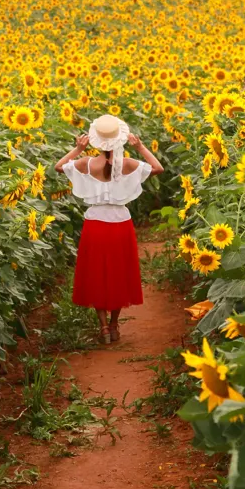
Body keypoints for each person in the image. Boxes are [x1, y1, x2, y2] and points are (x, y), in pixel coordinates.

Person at [55, 115, 164, 344]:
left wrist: (77, 149)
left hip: (94, 222)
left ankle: (103, 327)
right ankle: (115, 325)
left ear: (96, 141)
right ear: (120, 139)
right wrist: (140, 146)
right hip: (120, 223)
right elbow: (158, 168)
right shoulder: (127, 164)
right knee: (119, 274)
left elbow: (58, 167)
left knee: (97, 274)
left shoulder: (86, 163)